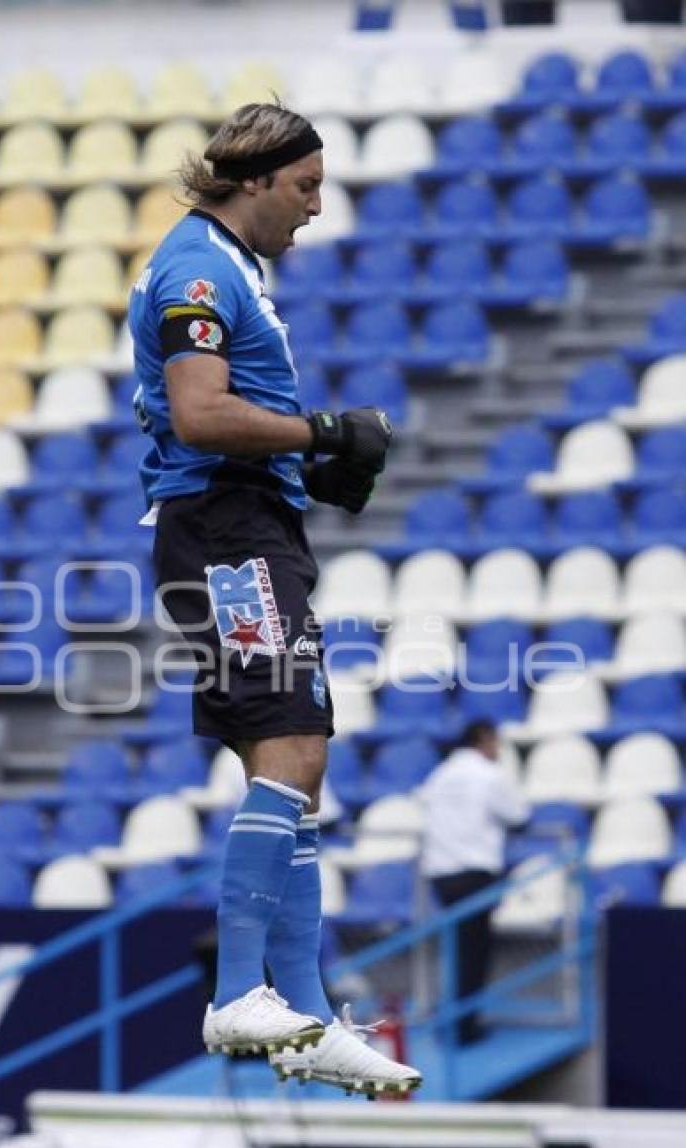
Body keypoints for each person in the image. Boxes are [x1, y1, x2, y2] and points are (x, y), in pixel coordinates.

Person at [128, 102, 421, 1097]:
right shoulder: (200, 273)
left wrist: (307, 458)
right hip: (223, 527)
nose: (315, 207)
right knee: (291, 744)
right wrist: (322, 434)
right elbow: (200, 412)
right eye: (304, 186)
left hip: (250, 527)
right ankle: (238, 991)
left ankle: (299, 1010)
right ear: (254, 181)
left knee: (299, 761)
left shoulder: (232, 267)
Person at [420, 720, 529, 1045]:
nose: (498, 750)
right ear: (484, 740)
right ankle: (464, 1027)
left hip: (441, 873)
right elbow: (518, 815)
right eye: (497, 743)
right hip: (475, 873)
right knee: (474, 951)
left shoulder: (440, 775)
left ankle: (450, 1019)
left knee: (456, 948)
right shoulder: (488, 774)